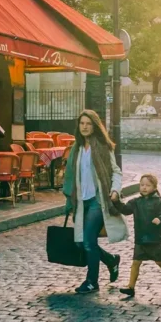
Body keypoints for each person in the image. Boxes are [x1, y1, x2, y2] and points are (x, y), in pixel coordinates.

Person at [62, 110, 127, 294]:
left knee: (89, 241)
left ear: (95, 125)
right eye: (82, 123)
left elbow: (116, 171)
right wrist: (69, 199)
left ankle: (92, 282)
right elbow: (70, 177)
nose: (84, 127)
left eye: (88, 123)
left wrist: (115, 189)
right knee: (83, 241)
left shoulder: (104, 147)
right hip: (81, 202)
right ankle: (111, 260)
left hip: (98, 201)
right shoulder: (77, 148)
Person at [112, 173, 161, 297]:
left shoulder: (158, 202)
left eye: (148, 185)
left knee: (160, 261)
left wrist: (160, 218)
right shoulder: (136, 202)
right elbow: (125, 210)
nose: (144, 187)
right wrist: (116, 202)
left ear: (154, 187)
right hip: (140, 238)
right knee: (136, 262)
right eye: (142, 185)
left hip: (154, 238)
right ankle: (131, 286)